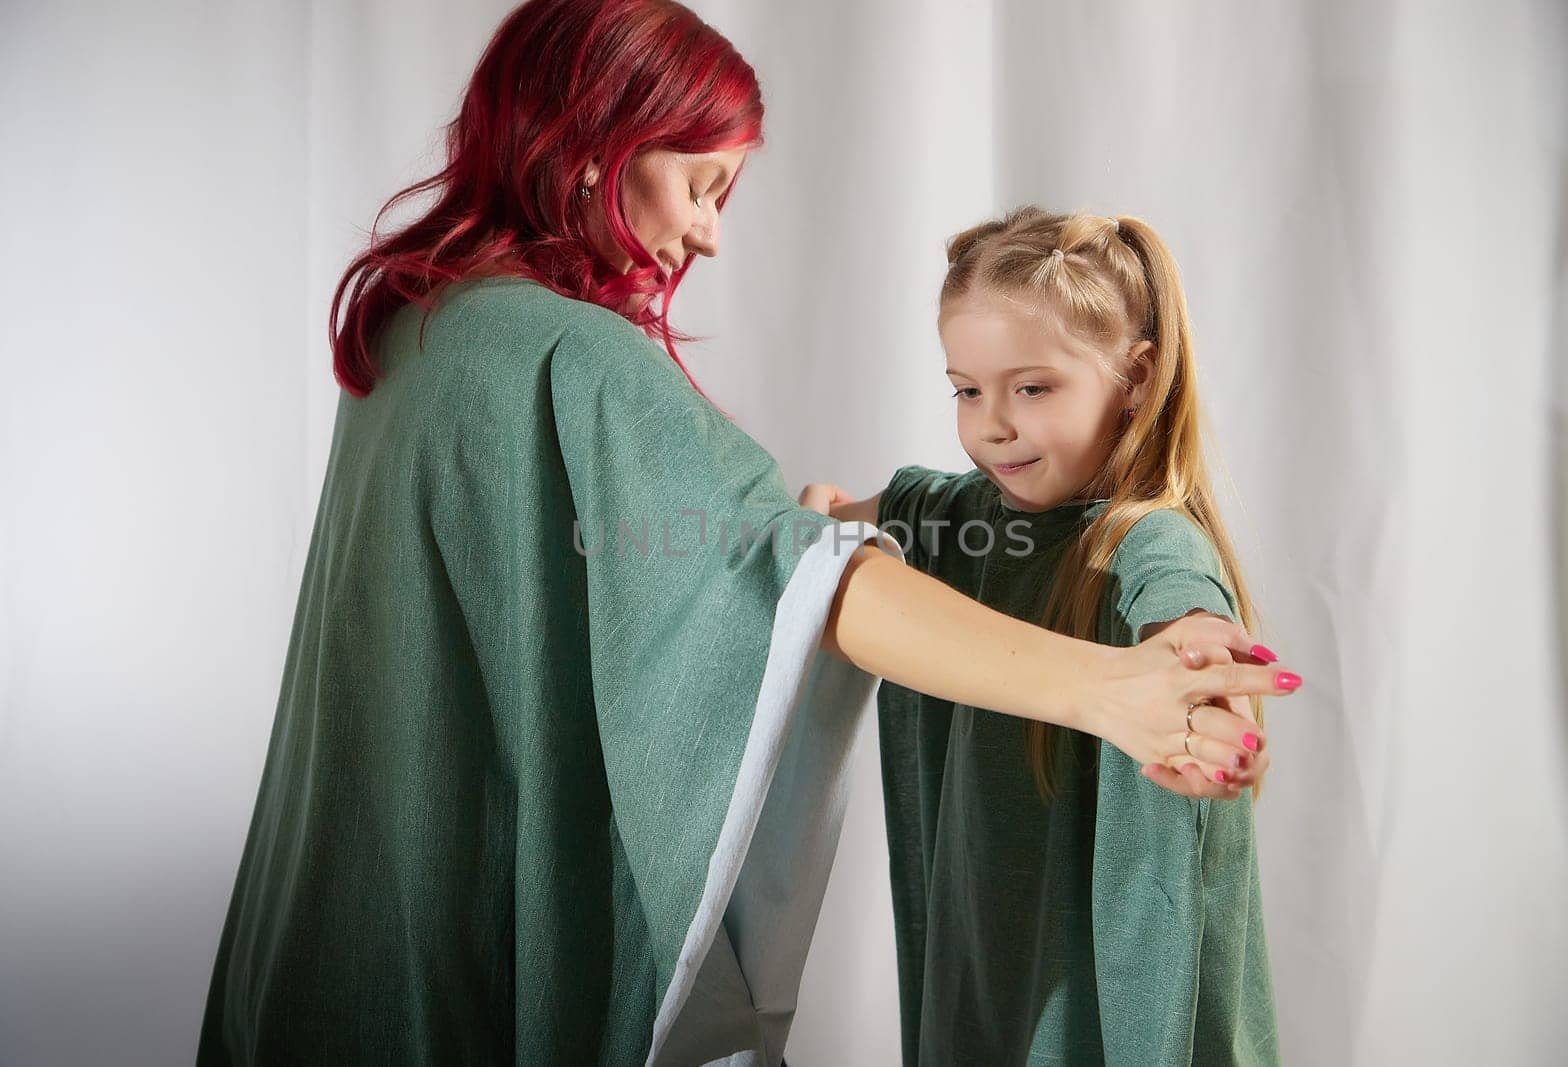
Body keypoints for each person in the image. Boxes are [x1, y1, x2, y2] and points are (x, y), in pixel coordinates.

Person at [196, 3, 1300, 1064]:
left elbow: (1113, 560)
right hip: (461, 933)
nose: (709, 233)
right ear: (594, 142)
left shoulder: (411, 323)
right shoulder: (568, 356)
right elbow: (806, 581)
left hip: (328, 923)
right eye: (700, 183)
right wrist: (1106, 687)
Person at [803, 206, 1283, 1064]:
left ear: (1134, 376)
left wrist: (1206, 661)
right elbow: (821, 535)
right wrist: (812, 518)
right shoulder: (949, 514)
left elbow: (1186, 613)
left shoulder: (1148, 539)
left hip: (1093, 979)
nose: (993, 423)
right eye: (967, 389)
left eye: (1032, 388)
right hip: (984, 956)